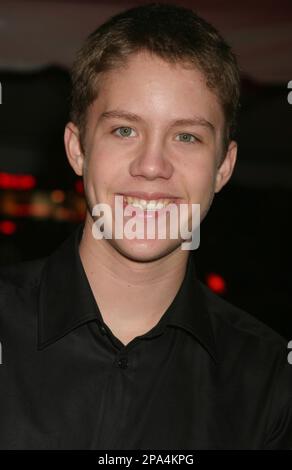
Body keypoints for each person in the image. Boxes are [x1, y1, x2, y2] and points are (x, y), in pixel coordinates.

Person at [0, 2, 291, 450]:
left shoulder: (270, 382)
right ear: (77, 148)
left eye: (187, 136)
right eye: (124, 130)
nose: (152, 166)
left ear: (223, 166)